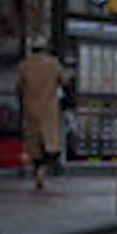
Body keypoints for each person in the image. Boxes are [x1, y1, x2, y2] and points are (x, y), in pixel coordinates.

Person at [17, 39, 69, 190]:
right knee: (50, 143)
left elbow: (19, 87)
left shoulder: (24, 65)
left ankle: (37, 171)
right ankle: (42, 171)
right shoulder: (53, 64)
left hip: (30, 109)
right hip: (49, 108)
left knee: (34, 143)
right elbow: (64, 81)